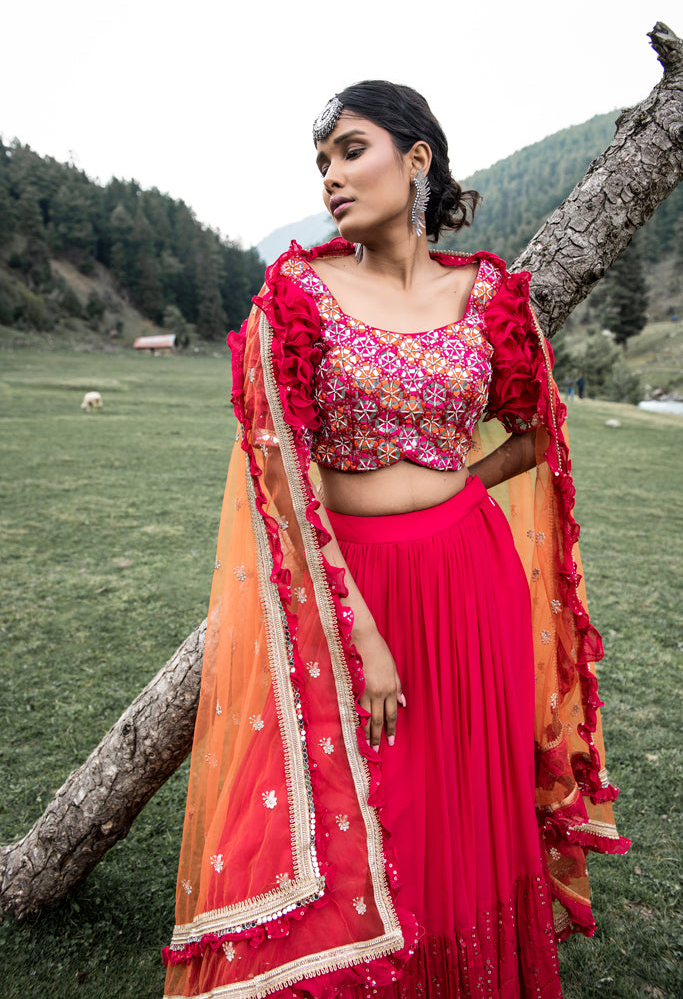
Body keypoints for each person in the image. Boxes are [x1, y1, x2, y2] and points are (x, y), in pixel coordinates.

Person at [163, 82, 628, 999]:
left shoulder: (487, 291)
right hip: (352, 583)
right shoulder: (296, 293)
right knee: (370, 814)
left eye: (350, 149)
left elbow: (537, 430)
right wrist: (359, 631)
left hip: (468, 574)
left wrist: (462, 486)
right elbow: (280, 480)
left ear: (416, 159)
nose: (332, 175)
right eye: (323, 162)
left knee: (461, 808)